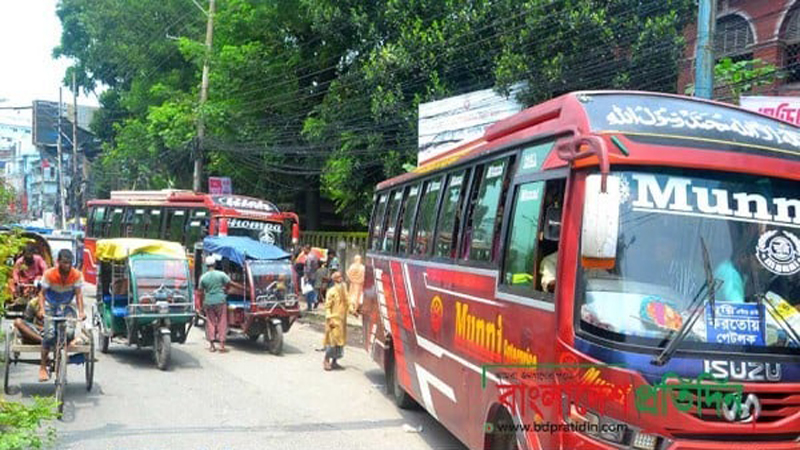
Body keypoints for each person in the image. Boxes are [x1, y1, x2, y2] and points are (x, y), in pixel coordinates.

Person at [38, 249, 85, 382]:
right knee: (49, 335)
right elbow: (41, 293)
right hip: (51, 305)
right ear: (58, 262)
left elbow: (78, 295)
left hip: (67, 306)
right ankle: (42, 367)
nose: (67, 266)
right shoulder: (49, 274)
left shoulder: (76, 275)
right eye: (64, 263)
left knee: (69, 333)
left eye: (70, 263)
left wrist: (81, 312)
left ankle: (60, 362)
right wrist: (42, 310)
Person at [199, 256, 244, 353]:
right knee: (222, 322)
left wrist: (202, 304)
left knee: (210, 322)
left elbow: (201, 292)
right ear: (215, 264)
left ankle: (212, 345)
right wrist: (243, 288)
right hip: (220, 301)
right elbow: (230, 283)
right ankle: (222, 345)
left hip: (209, 301)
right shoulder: (221, 274)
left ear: (207, 266)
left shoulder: (203, 277)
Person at [323, 271, 357, 371]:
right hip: (333, 320)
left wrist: (352, 311)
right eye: (338, 278)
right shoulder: (331, 291)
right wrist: (329, 318)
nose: (340, 279)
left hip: (342, 321)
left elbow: (348, 302)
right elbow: (327, 307)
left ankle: (335, 362)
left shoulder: (344, 290)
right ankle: (326, 360)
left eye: (341, 277)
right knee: (332, 342)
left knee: (340, 343)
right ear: (334, 280)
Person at [303, 245, 320, 309]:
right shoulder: (314, 256)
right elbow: (316, 266)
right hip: (314, 275)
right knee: (311, 289)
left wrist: (306, 276)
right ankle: (314, 300)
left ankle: (311, 304)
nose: (303, 251)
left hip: (309, 276)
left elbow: (308, 268)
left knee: (308, 291)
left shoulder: (309, 257)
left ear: (307, 249)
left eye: (304, 249)